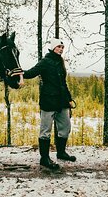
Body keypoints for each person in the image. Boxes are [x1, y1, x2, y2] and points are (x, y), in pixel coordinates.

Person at [23, 37, 76, 170]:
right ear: (53, 48)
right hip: (48, 101)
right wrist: (18, 73)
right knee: (45, 131)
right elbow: (31, 73)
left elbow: (63, 83)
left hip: (62, 101)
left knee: (65, 128)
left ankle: (61, 153)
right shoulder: (45, 62)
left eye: (62, 48)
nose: (61, 49)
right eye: (59, 47)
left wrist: (69, 99)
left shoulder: (60, 62)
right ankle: (44, 159)